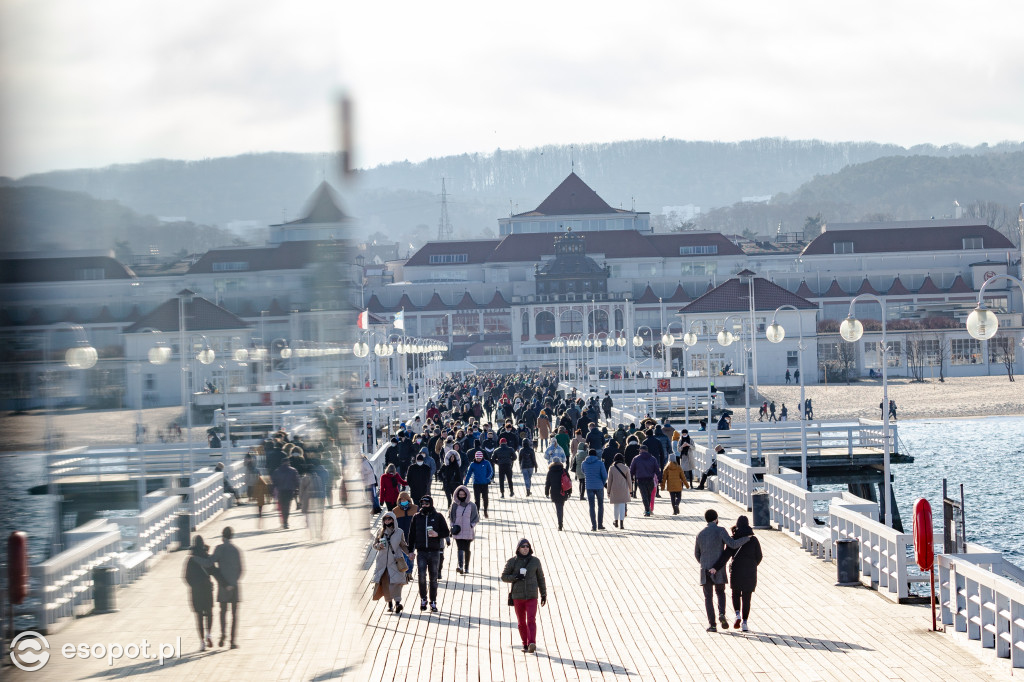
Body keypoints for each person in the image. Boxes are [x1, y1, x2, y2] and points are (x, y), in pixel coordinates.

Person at [695, 508, 750, 632]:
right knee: (720, 593)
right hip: (718, 569)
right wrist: (746, 539)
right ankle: (722, 614)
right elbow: (732, 544)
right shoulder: (721, 531)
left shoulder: (700, 534)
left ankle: (712, 625)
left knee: (708, 597)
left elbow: (697, 554)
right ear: (716, 519)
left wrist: (704, 564)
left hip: (705, 570)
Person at [710, 515, 763, 632]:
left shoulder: (734, 539)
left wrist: (715, 567)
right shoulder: (753, 539)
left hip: (736, 570)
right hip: (750, 571)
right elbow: (759, 556)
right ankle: (744, 622)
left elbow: (725, 556)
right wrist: (752, 565)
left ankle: (737, 614)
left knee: (735, 593)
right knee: (747, 597)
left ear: (737, 525)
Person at [501, 538, 547, 653]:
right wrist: (515, 577)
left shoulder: (535, 561)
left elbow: (541, 578)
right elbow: (504, 576)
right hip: (517, 596)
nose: (525, 548)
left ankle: (532, 642)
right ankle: (525, 644)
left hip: (532, 595)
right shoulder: (512, 561)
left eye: (527, 546)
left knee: (531, 619)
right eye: (523, 546)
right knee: (521, 622)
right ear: (518, 548)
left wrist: (543, 594)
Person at [407, 495, 451, 613]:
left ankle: (433, 601)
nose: (424, 505)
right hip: (421, 551)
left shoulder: (438, 516)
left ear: (431, 504)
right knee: (421, 577)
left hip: (434, 551)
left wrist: (437, 534)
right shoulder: (416, 517)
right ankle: (423, 599)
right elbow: (411, 535)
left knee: (433, 578)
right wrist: (410, 551)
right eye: (423, 503)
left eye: (427, 503)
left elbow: (446, 532)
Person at [372, 511, 410, 615]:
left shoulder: (399, 532)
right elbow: (374, 545)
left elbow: (403, 545)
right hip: (382, 562)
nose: (387, 521)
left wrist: (409, 553)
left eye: (389, 519)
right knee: (386, 583)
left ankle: (397, 603)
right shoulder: (380, 531)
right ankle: (389, 604)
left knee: (396, 583)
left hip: (395, 561)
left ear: (393, 519)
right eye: (385, 519)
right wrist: (378, 546)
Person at [211, 526, 243, 648]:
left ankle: (223, 634)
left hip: (223, 586)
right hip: (234, 586)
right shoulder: (236, 550)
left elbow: (211, 561)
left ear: (222, 536)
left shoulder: (219, 549)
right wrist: (233, 581)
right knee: (235, 614)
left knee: (223, 611)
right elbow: (241, 569)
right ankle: (232, 641)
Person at [183, 535, 214, 651]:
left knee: (199, 616)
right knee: (209, 612)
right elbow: (212, 570)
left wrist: (193, 585)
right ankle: (209, 634)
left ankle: (201, 642)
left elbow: (185, 577)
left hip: (196, 591)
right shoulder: (206, 557)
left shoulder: (190, 560)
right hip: (207, 589)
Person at [448, 485, 479, 574]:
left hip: (468, 530)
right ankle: (461, 566)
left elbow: (476, 518)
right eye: (460, 494)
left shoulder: (472, 505)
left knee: (467, 548)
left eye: (463, 494)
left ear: (466, 495)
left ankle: (467, 567)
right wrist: (452, 525)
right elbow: (451, 516)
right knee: (460, 548)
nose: (461, 496)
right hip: (457, 530)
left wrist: (471, 525)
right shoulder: (454, 505)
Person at [629, 444, 661, 516]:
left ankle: (647, 510)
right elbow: (657, 470)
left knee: (644, 496)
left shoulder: (636, 459)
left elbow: (632, 470)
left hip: (640, 480)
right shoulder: (653, 459)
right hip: (650, 479)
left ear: (641, 450)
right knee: (649, 495)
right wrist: (660, 479)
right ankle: (648, 509)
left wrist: (631, 478)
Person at [581, 448, 608, 531]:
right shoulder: (600, 463)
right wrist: (602, 483)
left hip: (589, 486)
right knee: (600, 505)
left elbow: (583, 472)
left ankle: (594, 525)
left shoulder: (584, 463)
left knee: (591, 506)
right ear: (596, 454)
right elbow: (605, 476)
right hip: (599, 486)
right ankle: (600, 524)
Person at [271, 456, 299, 529]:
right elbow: (296, 481)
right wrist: (297, 489)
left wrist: (272, 490)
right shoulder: (293, 470)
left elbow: (274, 482)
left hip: (281, 490)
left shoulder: (277, 471)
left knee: (282, 507)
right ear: (288, 462)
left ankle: (284, 521)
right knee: (287, 506)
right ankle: (286, 522)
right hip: (290, 490)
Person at [463, 451, 494, 518]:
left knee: (485, 498)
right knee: (477, 499)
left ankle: (485, 510)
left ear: (482, 457)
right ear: (475, 457)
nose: (478, 459)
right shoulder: (472, 464)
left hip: (484, 484)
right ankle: (477, 513)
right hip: (476, 484)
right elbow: (469, 474)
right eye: (477, 458)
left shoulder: (486, 463)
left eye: (480, 458)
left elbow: (491, 471)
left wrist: (488, 478)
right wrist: (465, 483)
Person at [605, 453, 631, 530]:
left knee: (616, 506)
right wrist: (631, 491)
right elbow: (629, 480)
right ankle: (622, 523)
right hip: (624, 489)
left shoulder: (612, 468)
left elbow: (609, 481)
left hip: (614, 489)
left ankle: (616, 521)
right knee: (622, 506)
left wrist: (608, 491)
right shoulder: (626, 468)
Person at [544, 456, 570, 531]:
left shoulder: (550, 471)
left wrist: (546, 493)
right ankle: (560, 522)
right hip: (563, 491)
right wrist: (569, 492)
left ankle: (560, 524)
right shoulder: (563, 470)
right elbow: (568, 481)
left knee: (558, 507)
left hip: (554, 492)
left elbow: (547, 483)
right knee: (561, 507)